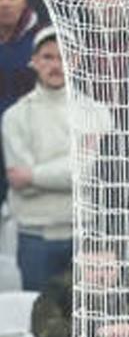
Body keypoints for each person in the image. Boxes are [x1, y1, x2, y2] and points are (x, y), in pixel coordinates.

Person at [3, 27, 78, 292]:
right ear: (34, 60)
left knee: (87, 326)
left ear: (76, 60)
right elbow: (19, 180)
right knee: (38, 326)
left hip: (85, 237)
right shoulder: (15, 116)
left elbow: (88, 173)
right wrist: (68, 166)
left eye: (62, 57)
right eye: (47, 57)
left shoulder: (95, 113)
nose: (55, 65)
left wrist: (35, 174)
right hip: (35, 238)